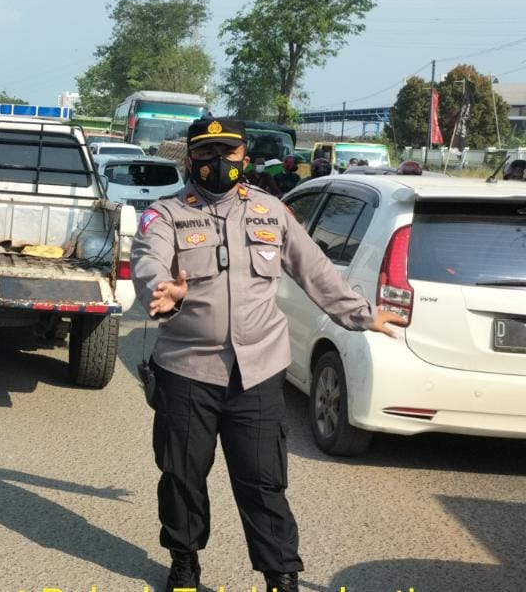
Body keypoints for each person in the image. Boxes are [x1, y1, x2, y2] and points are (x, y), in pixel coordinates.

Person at [131, 117, 407, 592]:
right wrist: (162, 289)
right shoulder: (166, 214)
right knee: (182, 475)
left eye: (229, 154)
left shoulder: (272, 212)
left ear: (244, 157)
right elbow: (148, 260)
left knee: (263, 481)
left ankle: (281, 574)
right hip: (187, 370)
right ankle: (184, 562)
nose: (219, 164)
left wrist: (361, 315)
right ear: (191, 159)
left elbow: (315, 269)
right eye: (207, 154)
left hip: (256, 373)